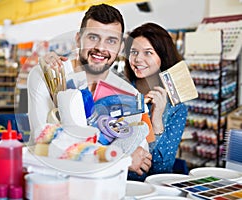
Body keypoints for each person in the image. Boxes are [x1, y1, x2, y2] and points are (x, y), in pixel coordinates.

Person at [27, 4, 152, 176]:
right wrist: (121, 157)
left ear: (121, 47)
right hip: (55, 182)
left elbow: (138, 152)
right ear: (78, 39)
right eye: (93, 37)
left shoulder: (128, 95)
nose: (101, 48)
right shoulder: (46, 76)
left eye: (111, 40)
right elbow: (44, 143)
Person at [123, 22, 188, 181]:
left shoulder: (176, 106)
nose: (138, 59)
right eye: (134, 52)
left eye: (148, 53)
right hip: (115, 181)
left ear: (162, 56)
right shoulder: (119, 91)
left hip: (151, 188)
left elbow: (162, 169)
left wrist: (157, 120)